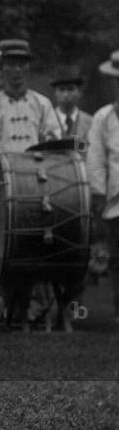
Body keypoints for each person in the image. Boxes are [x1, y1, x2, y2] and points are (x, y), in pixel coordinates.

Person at [0, 39, 62, 328]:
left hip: (37, 186)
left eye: (21, 65)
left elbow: (54, 142)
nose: (16, 71)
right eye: (10, 65)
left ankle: (36, 308)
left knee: (38, 245)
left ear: (28, 67)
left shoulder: (42, 103)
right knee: (4, 247)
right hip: (3, 188)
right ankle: (10, 306)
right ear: (1, 70)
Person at [86, 50, 119, 324]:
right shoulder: (103, 118)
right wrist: (98, 192)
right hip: (115, 201)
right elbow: (95, 159)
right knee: (117, 259)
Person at [52, 66, 92, 153]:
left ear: (79, 93)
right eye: (61, 89)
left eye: (71, 89)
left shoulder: (90, 122)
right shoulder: (47, 121)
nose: (66, 94)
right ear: (55, 93)